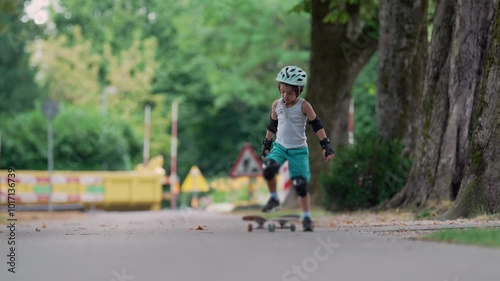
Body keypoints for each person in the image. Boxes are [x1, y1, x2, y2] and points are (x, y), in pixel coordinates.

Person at [260, 65, 335, 232]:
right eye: (282, 91)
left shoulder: (304, 106)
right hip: (280, 146)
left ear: (298, 91)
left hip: (298, 149)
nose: (285, 96)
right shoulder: (276, 105)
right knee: (268, 168)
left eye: (290, 93)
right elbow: (272, 125)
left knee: (300, 184)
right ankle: (273, 198)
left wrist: (326, 145)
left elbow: (316, 125)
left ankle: (307, 217)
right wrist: (266, 144)